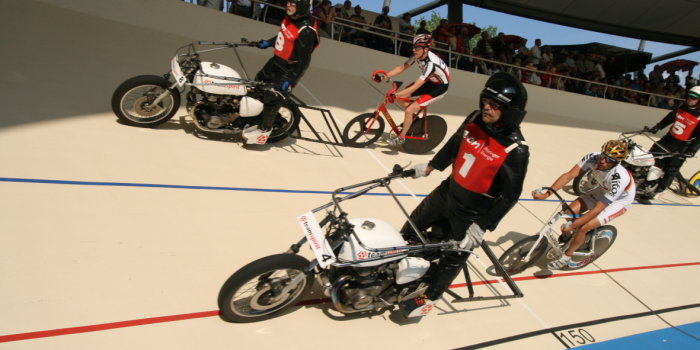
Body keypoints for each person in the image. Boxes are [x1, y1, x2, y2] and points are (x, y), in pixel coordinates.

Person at [399, 72, 529, 316]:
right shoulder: (476, 118)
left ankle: (430, 298)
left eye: (495, 105)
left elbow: (510, 196)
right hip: (448, 191)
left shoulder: (516, 149)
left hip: (471, 210)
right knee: (411, 227)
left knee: (454, 256)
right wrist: (431, 166)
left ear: (510, 111)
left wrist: (482, 225)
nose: (486, 108)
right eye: (485, 102)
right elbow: (455, 142)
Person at [533, 140, 635, 270]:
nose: (603, 161)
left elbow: (596, 210)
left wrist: (575, 224)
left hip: (618, 202)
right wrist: (547, 194)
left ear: (616, 163)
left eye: (609, 160)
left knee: (583, 227)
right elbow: (569, 176)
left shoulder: (618, 179)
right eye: (603, 155)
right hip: (602, 190)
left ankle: (567, 256)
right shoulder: (593, 157)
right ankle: (574, 233)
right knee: (568, 211)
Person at [242, 0, 320, 145]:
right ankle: (254, 116)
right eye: (288, 2)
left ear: (302, 6)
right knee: (258, 83)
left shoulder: (306, 30)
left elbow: (304, 61)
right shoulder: (292, 17)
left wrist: (291, 80)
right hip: (276, 61)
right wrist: (267, 42)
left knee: (274, 97)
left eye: (293, 3)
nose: (288, 5)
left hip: (288, 69)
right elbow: (284, 35)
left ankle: (265, 129)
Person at [375, 34, 450, 145]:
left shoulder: (431, 64)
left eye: (417, 48)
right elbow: (402, 68)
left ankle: (401, 137)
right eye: (413, 47)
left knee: (409, 109)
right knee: (401, 98)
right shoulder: (417, 55)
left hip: (439, 87)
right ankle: (413, 119)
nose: (413, 50)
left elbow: (415, 87)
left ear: (426, 49)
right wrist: (385, 76)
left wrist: (395, 94)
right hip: (430, 82)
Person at [643, 85, 700, 198]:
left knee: (672, 168)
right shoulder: (682, 106)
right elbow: (670, 117)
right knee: (651, 157)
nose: (690, 99)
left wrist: (692, 150)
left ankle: (660, 190)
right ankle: (647, 180)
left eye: (694, 98)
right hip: (668, 138)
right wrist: (658, 126)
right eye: (689, 96)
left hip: (682, 146)